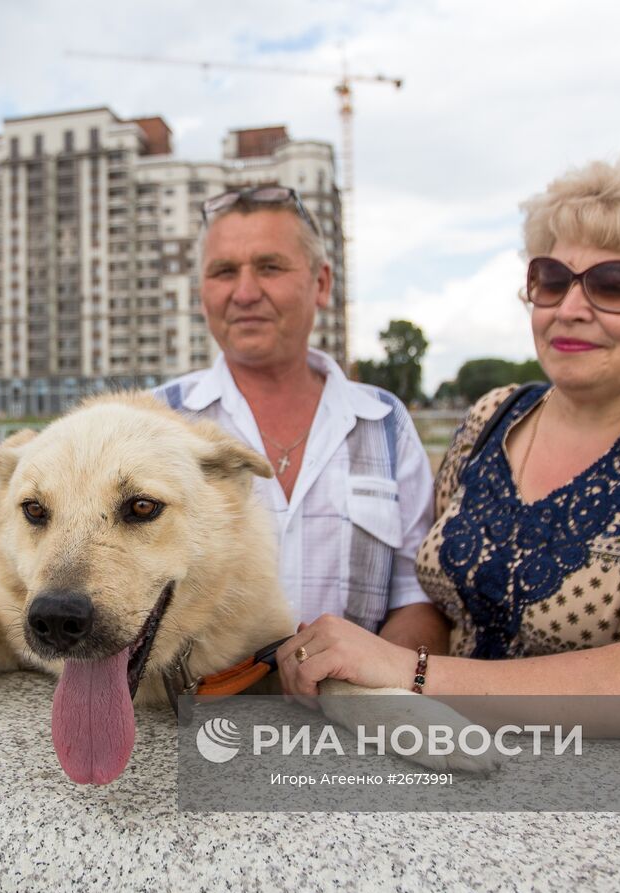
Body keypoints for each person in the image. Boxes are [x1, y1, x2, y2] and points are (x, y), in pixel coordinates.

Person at [279, 154, 620, 697]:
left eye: (617, 284)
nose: (570, 308)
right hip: (445, 756)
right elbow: (435, 604)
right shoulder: (494, 416)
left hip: (603, 779)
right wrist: (366, 677)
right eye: (552, 279)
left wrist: (412, 675)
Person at [156, 185, 443, 650]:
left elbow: (416, 600)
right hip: (195, 716)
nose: (245, 293)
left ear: (322, 283)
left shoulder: (384, 423)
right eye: (224, 271)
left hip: (347, 717)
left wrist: (364, 687)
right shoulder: (153, 421)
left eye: (269, 267)